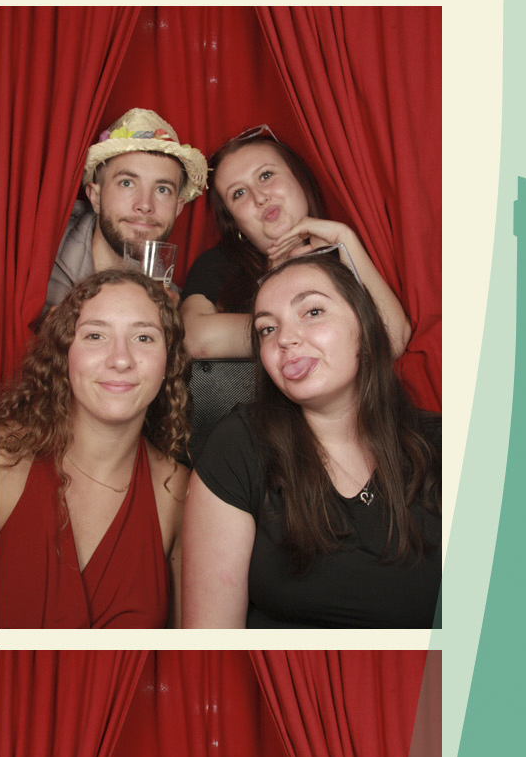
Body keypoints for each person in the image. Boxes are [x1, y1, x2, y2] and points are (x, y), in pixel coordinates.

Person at [182, 251, 441, 629]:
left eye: (313, 312)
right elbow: (211, 643)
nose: (285, 339)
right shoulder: (238, 446)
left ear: (365, 324)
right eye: (267, 329)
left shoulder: (445, 447)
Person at [0, 270, 192, 628]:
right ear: (64, 354)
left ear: (169, 361)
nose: (120, 359)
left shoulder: (179, 494)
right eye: (95, 335)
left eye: (143, 337)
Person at [180, 127, 411, 360]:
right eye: (239, 193)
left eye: (266, 176)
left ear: (299, 178)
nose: (260, 197)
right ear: (235, 222)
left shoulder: (350, 252)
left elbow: (392, 340)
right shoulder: (218, 264)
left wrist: (345, 238)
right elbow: (195, 339)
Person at [44, 108, 207, 311]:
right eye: (127, 183)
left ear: (178, 208)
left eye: (162, 189)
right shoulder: (37, 269)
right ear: (95, 197)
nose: (145, 205)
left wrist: (168, 325)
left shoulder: (172, 303)